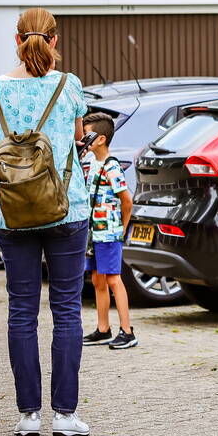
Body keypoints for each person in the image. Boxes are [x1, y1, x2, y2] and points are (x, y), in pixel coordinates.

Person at [0, 7, 91, 436]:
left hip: (11, 210)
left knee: (21, 311)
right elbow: (78, 138)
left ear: (16, 40)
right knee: (66, 310)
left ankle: (28, 415)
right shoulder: (69, 85)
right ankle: (65, 416)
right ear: (55, 41)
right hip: (67, 208)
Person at [79, 112, 136, 350]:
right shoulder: (90, 163)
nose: (83, 139)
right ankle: (103, 329)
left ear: (100, 139)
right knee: (97, 279)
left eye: (87, 135)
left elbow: (127, 201)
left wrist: (121, 229)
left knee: (113, 279)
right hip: (94, 234)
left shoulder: (112, 167)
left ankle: (127, 331)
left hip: (108, 233)